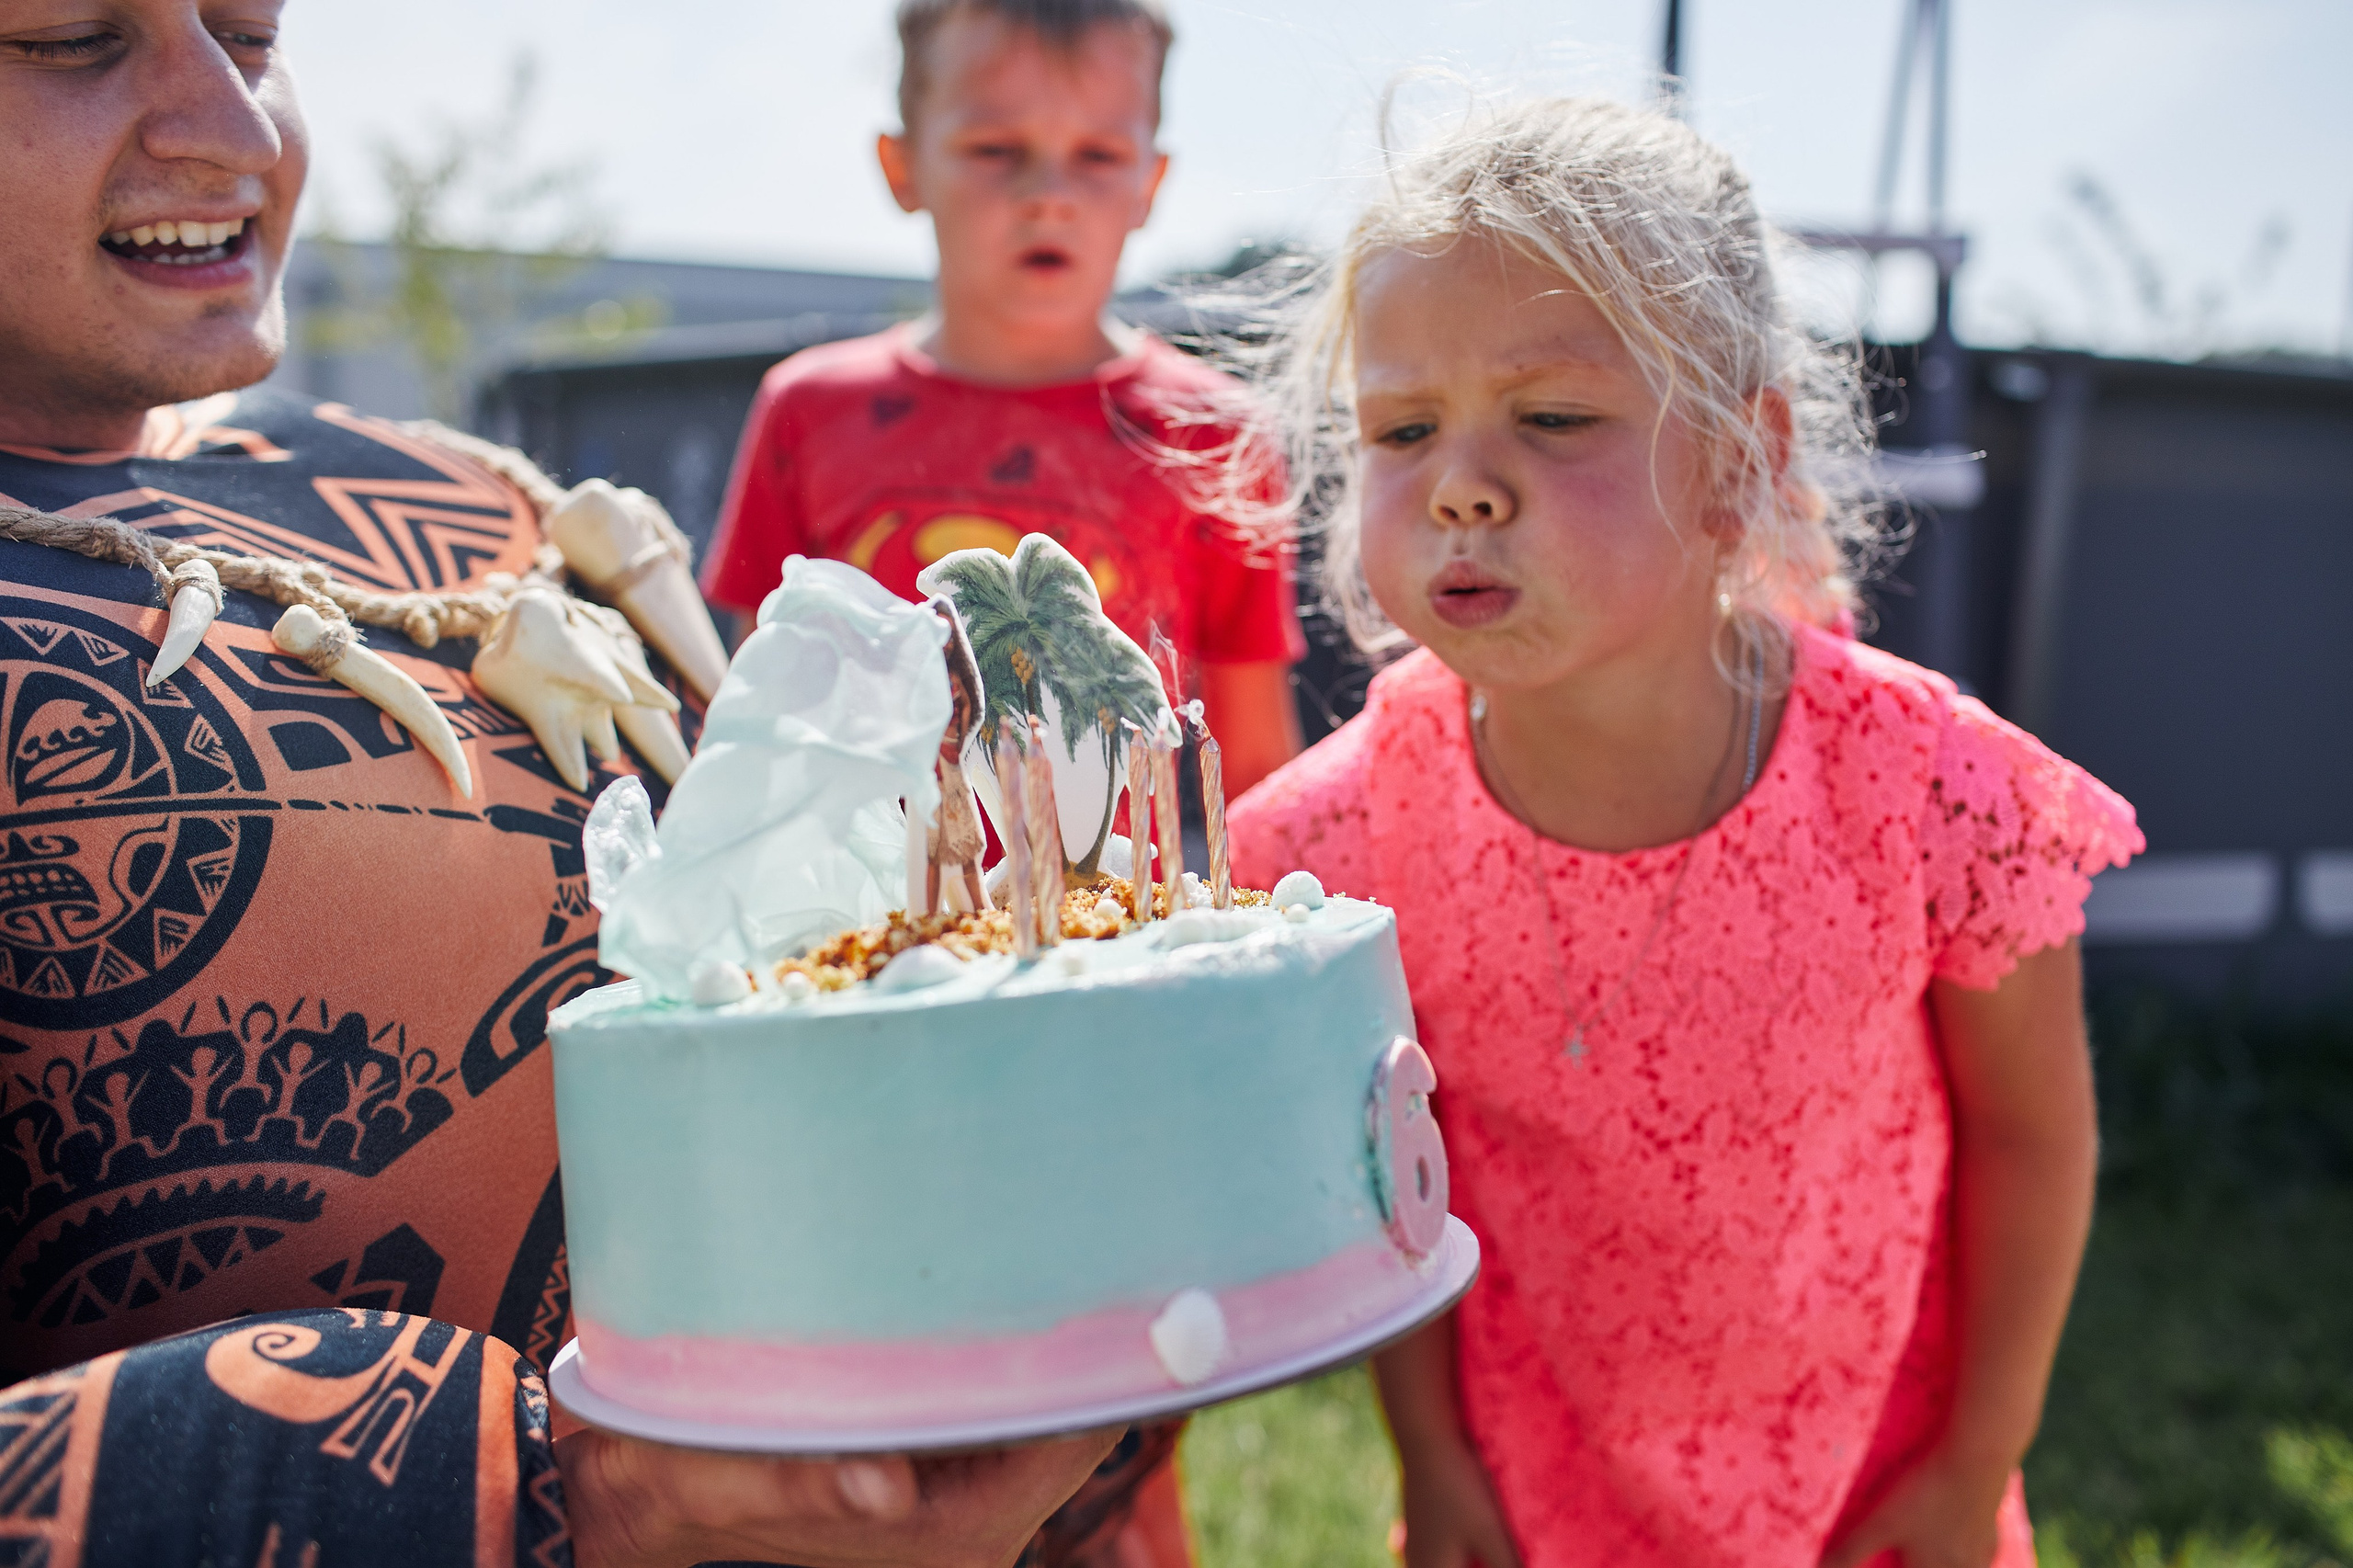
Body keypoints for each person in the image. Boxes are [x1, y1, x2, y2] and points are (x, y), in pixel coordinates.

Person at [0, 5, 1140, 1562]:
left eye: (253, 33)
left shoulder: (480, 490)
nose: (241, 130)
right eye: (71, 37)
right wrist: (565, 1487)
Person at [1227, 97, 2142, 1568]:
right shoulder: (1347, 839)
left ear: (1734, 463)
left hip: (1881, 1496)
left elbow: (2032, 1137)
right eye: (1406, 428)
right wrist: (1434, 1462)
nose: (1460, 481)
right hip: (1539, 1504)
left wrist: (1979, 1460)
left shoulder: (1928, 792)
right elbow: (1393, 1178)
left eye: (1553, 416)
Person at [699, 0, 1305, 800]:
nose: (1048, 194)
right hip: (860, 922)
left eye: (1097, 153)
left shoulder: (1217, 435)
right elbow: (753, 723)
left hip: (1123, 922)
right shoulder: (805, 410)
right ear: (902, 164)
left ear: (1150, 183)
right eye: (995, 148)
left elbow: (1258, 777)